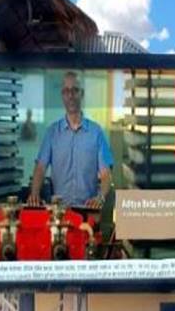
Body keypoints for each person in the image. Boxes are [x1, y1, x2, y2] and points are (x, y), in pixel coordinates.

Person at [27, 71, 113, 209]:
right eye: (66, 91)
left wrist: (100, 197)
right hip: (58, 212)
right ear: (62, 96)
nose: (71, 96)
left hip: (88, 210)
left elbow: (106, 174)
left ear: (82, 94)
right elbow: (40, 168)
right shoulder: (52, 133)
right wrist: (34, 194)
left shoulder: (96, 132)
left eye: (75, 90)